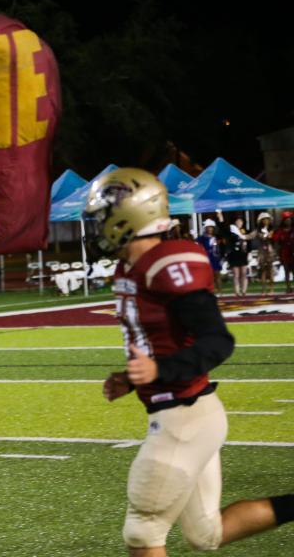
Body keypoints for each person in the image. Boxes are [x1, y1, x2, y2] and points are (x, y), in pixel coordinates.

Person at [84, 168, 293, 557]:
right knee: (206, 534)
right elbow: (162, 339)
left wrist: (160, 372)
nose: (98, 225)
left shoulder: (168, 263)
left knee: (143, 531)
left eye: (101, 215)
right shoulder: (129, 267)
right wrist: (133, 379)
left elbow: (217, 341)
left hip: (184, 417)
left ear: (128, 215)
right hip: (191, 413)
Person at [222, 211, 251, 296]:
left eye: (241, 221)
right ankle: (237, 291)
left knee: (244, 273)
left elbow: (249, 243)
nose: (239, 223)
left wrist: (248, 251)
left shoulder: (245, 231)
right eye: (237, 221)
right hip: (234, 254)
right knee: (236, 274)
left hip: (243, 254)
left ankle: (244, 291)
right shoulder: (231, 232)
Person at [195, 219, 223, 294]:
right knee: (209, 276)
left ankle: (220, 291)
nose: (210, 229)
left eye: (211, 227)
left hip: (215, 258)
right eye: (208, 227)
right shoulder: (202, 238)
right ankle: (211, 291)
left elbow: (221, 247)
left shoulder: (217, 237)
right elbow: (196, 245)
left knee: (217, 275)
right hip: (206, 258)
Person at [254, 212, 275, 294]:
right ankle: (263, 290)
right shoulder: (258, 230)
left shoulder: (272, 230)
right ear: (261, 221)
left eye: (267, 219)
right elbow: (259, 237)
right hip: (262, 251)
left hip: (269, 250)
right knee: (262, 270)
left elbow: (272, 238)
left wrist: (269, 235)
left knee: (270, 270)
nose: (266, 221)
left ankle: (271, 289)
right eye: (264, 219)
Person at [273, 213, 294, 293]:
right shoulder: (280, 231)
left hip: (293, 251)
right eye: (286, 220)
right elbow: (276, 240)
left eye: (289, 220)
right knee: (286, 270)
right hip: (284, 251)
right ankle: (288, 287)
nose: (288, 222)